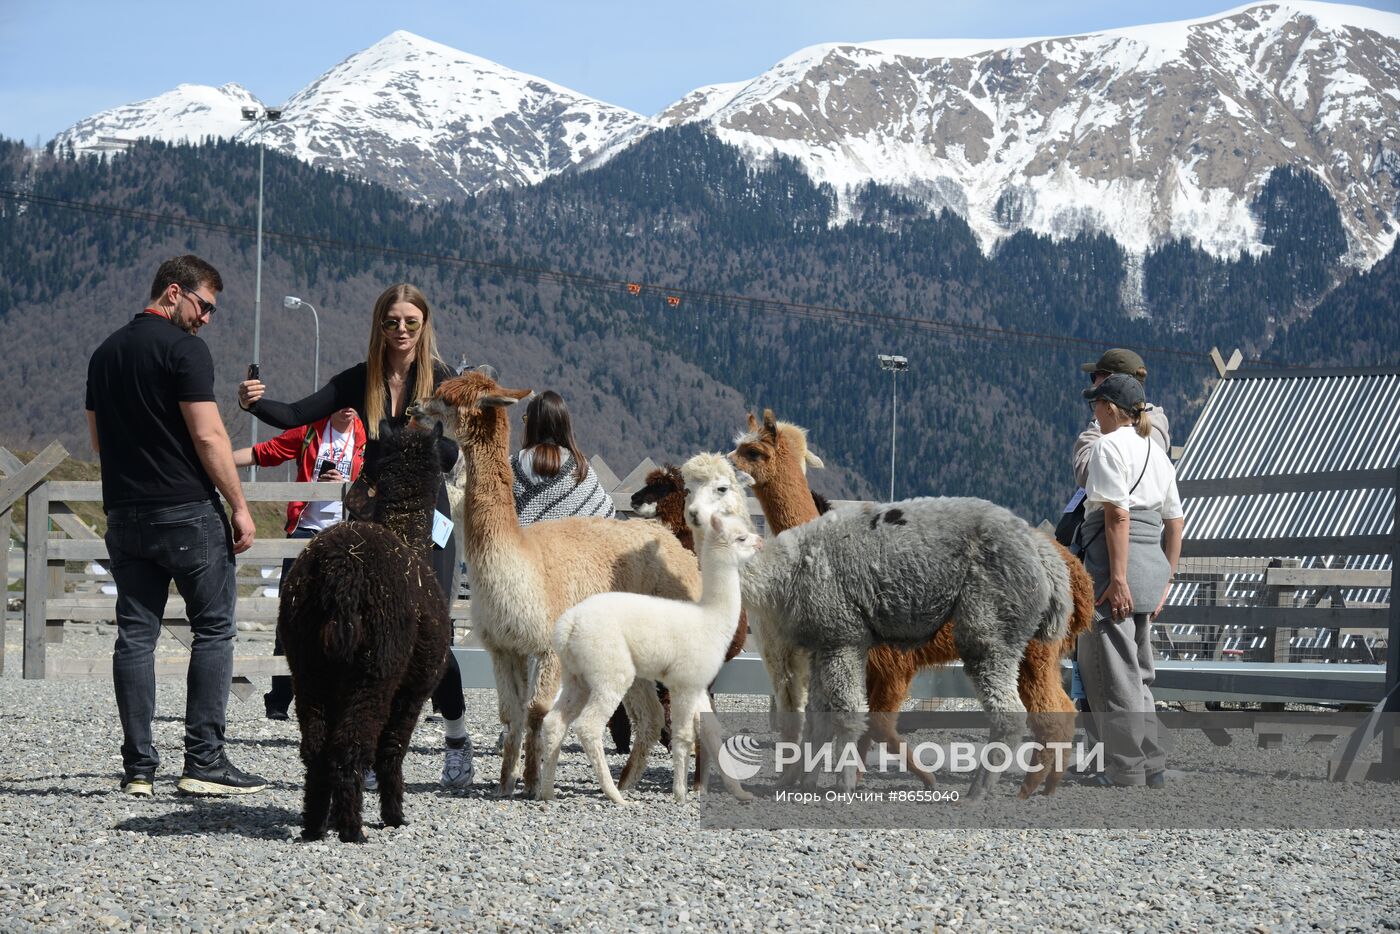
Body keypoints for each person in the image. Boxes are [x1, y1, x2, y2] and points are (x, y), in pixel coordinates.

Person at [237, 283, 473, 790]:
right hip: (374, 520)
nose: (402, 330)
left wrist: (425, 447)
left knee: (430, 635)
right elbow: (298, 414)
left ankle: (456, 736)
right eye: (392, 321)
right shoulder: (358, 380)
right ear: (379, 326)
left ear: (425, 324)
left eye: (411, 321)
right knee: (373, 636)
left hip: (429, 521)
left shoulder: (446, 382)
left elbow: (462, 450)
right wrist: (254, 405)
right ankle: (370, 753)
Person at [85, 254, 266, 797]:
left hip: (124, 513)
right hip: (187, 511)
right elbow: (210, 438)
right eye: (204, 305)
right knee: (212, 628)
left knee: (134, 637)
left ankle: (139, 768)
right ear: (173, 293)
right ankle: (203, 762)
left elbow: (98, 443)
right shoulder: (185, 350)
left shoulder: (104, 354)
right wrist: (239, 506)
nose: (207, 318)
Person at [1077, 373, 1185, 788]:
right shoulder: (1157, 453)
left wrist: (1117, 578)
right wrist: (1166, 580)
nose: (1094, 414)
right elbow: (1175, 524)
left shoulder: (1107, 447)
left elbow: (1116, 515)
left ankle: (1124, 769)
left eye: (1095, 406)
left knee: (1114, 673)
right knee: (1140, 672)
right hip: (1151, 565)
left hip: (1113, 565)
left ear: (1108, 407)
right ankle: (1152, 763)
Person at [231, 406, 365, 720]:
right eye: (341, 400)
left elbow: (380, 480)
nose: (348, 407)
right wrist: (210, 458)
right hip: (305, 528)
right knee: (292, 614)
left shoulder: (368, 436)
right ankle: (279, 698)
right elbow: (264, 452)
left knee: (346, 616)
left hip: (349, 531)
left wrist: (348, 481)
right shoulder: (310, 431)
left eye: (354, 400)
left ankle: (337, 698)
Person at [511, 391, 616, 524]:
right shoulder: (580, 465)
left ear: (532, 425)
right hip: (572, 544)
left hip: (523, 543)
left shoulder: (512, 465)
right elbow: (606, 511)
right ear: (564, 425)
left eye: (526, 420)